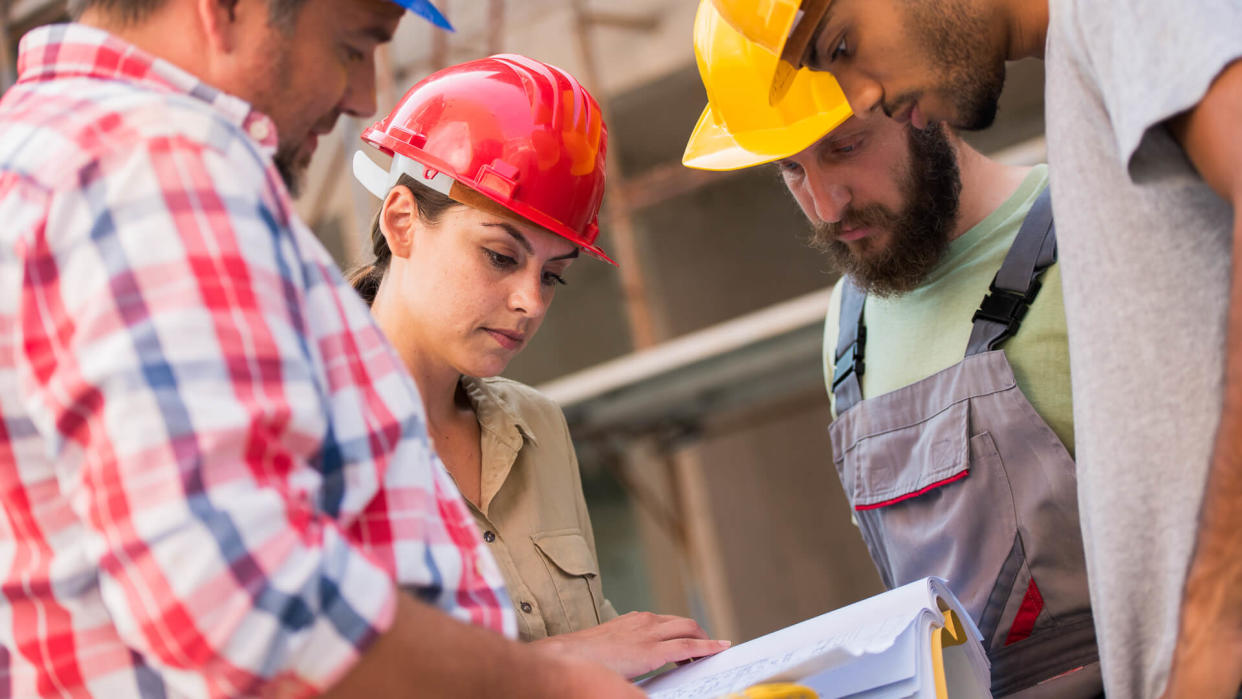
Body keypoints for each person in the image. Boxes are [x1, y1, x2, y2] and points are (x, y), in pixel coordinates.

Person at [0, 0, 643, 696]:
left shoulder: (47, 151)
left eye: (552, 275)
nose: (362, 97)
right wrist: (550, 684)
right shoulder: (154, 163)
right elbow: (237, 594)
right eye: (352, 45)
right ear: (226, 9)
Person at [701, 0, 1242, 696]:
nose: (827, 204)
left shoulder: (1088, 190)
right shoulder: (847, 330)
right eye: (791, 170)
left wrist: (1213, 621)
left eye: (844, 145)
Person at [347, 53, 730, 678]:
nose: (530, 301)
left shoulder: (539, 429)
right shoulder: (308, 427)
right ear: (402, 222)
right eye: (501, 256)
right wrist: (553, 663)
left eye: (553, 275)